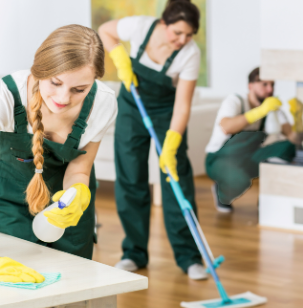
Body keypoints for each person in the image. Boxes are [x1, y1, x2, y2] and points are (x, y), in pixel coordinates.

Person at [0, 25, 118, 283]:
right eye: (55, 83)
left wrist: (77, 195)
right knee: (18, 281)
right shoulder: (5, 96)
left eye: (79, 90)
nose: (62, 98)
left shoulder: (103, 103)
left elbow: (80, 169)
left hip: (64, 206)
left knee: (75, 282)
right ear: (40, 70)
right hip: (10, 198)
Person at [99, 0, 207, 280]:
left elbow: (183, 105)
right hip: (132, 106)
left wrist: (171, 143)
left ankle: (189, 257)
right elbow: (104, 30)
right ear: (163, 24)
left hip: (166, 113)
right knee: (130, 178)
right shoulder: (140, 27)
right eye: (177, 33)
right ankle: (133, 253)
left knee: (175, 179)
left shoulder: (190, 55)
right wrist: (120, 59)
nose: (182, 40)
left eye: (188, 35)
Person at [205, 67, 302, 213]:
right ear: (250, 86)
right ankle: (222, 193)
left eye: (272, 85)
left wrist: (299, 117)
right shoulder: (235, 101)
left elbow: (293, 139)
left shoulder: (272, 108)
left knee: (289, 147)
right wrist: (260, 111)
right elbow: (226, 126)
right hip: (220, 159)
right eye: (264, 84)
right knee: (240, 181)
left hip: (247, 157)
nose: (270, 89)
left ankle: (267, 197)